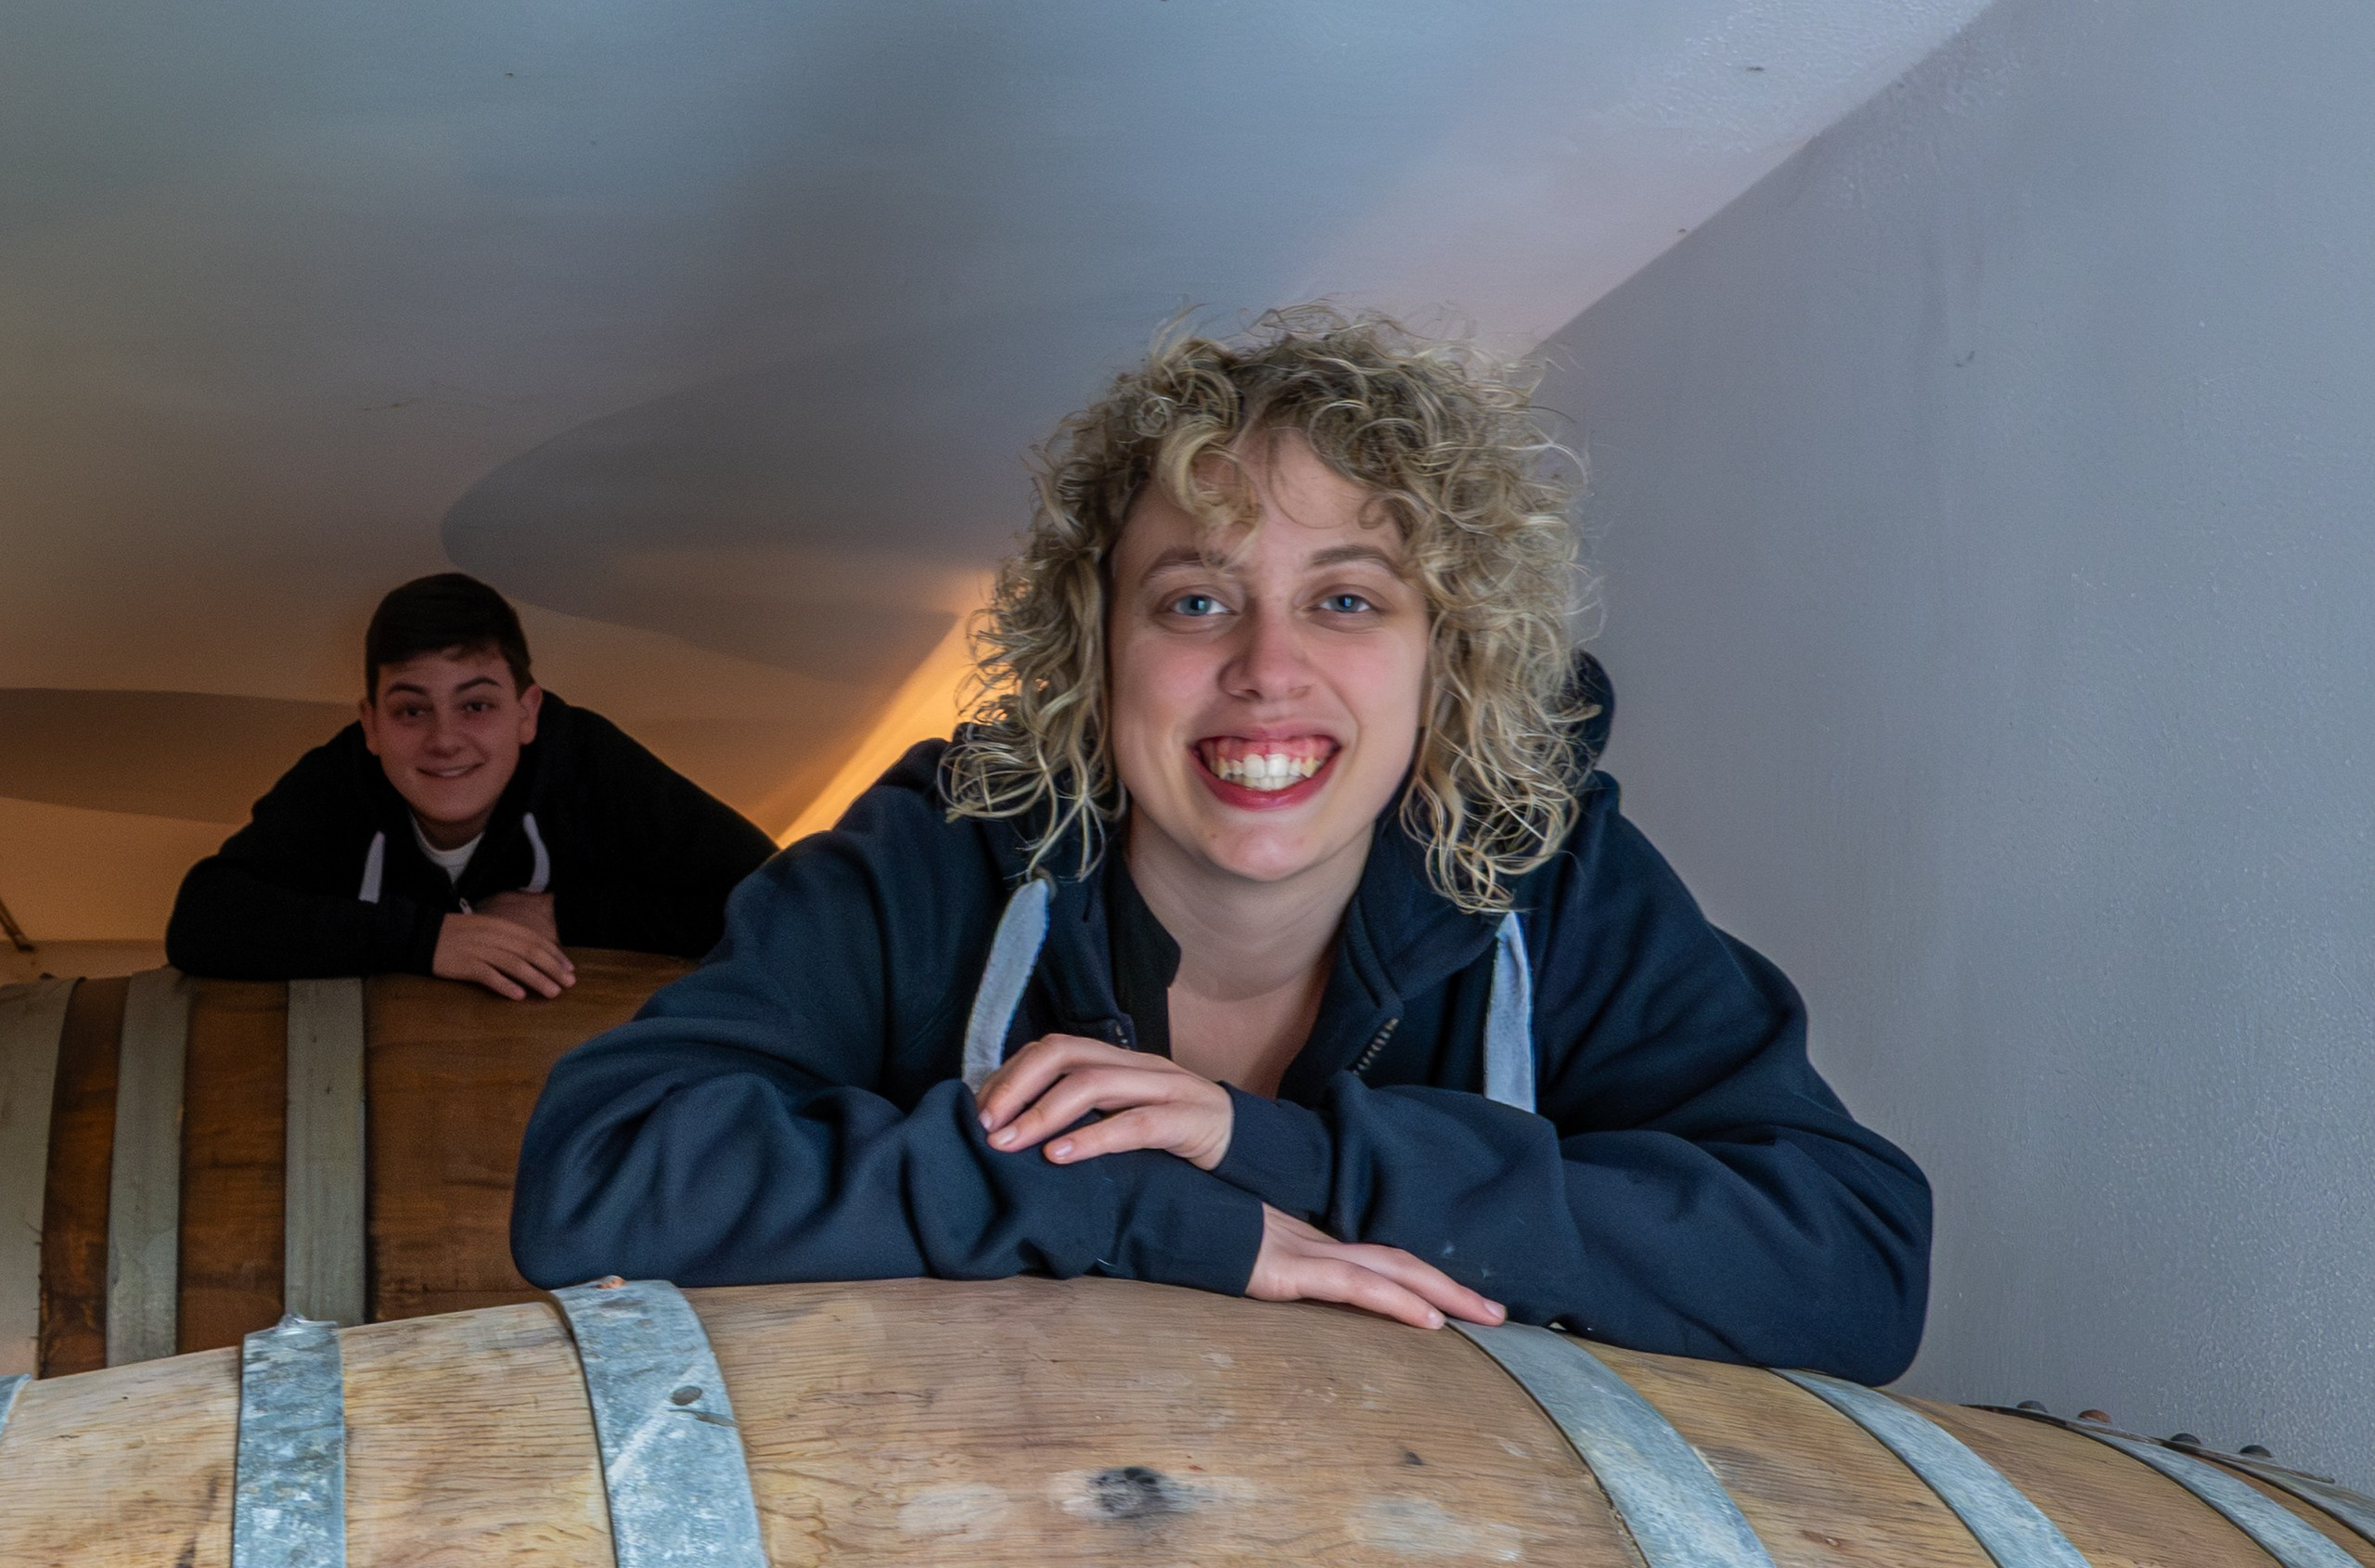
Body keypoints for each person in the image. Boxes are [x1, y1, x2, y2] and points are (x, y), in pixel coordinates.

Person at [511, 316, 1929, 1367]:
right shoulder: (940, 850)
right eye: (1195, 600)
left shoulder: (1547, 875)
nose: (1265, 669)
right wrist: (1156, 1210)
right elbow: (600, 1177)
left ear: (1453, 656)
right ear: (1095, 647)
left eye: (1350, 600)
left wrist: (1286, 1155)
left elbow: (1851, 1263)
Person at [166, 572, 776, 998]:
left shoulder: (585, 762)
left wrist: (567, 914)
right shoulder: (339, 781)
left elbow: (772, 898)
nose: (445, 738)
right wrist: (426, 940)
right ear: (370, 724)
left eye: (477, 705)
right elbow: (204, 918)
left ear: (527, 712)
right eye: (410, 710)